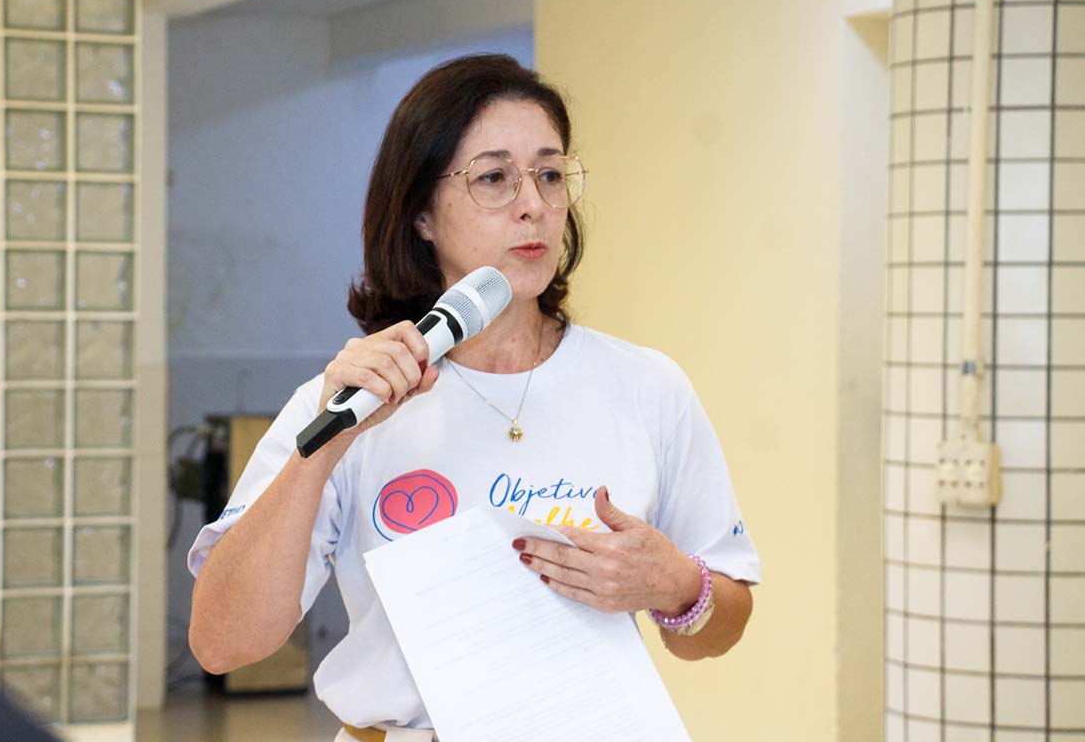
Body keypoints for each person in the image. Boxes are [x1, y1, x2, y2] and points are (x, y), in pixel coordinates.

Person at [187, 54, 760, 742]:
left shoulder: (647, 387)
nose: (533, 204)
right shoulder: (349, 401)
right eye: (494, 177)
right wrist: (324, 449)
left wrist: (677, 585)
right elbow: (221, 643)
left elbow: (720, 630)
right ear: (421, 214)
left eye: (550, 174)